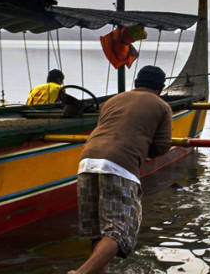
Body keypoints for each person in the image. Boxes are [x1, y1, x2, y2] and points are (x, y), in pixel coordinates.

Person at [68, 65, 172, 274]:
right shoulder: (162, 106)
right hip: (119, 165)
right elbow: (162, 146)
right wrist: (143, 146)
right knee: (120, 230)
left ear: (136, 83)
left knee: (99, 230)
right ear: (160, 89)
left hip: (87, 161)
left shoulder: (112, 101)